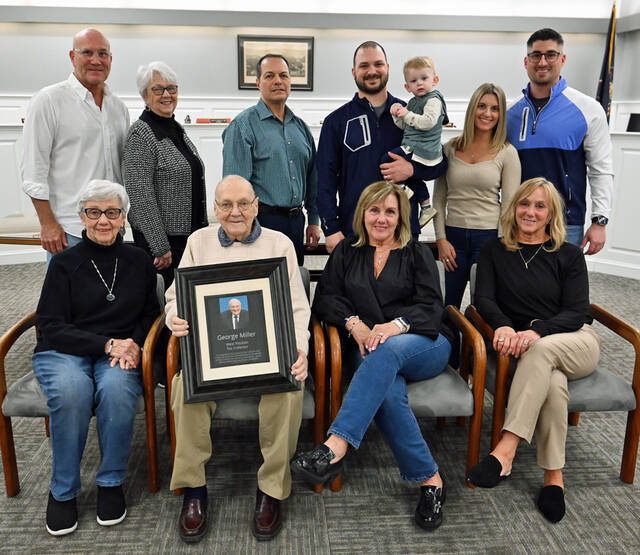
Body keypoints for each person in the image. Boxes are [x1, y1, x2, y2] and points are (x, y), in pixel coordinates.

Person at [291, 181, 453, 531]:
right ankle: (431, 480)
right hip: (369, 349)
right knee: (388, 388)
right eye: (375, 210)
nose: (381, 218)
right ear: (363, 213)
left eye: (390, 211)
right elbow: (326, 300)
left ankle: (335, 445)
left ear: (401, 217)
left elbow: (432, 307)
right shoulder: (348, 251)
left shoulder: (416, 253)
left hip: (424, 341)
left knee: (386, 350)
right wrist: (356, 325)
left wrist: (394, 326)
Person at [165, 175, 310, 543]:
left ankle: (272, 489)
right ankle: (194, 489)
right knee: (184, 387)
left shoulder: (280, 244)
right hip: (213, 359)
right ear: (215, 209)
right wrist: (174, 316)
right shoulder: (199, 242)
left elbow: (297, 308)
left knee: (290, 387)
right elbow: (175, 296)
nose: (235, 212)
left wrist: (300, 351)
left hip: (266, 357)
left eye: (243, 203)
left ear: (256, 205)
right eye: (226, 205)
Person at [467, 177, 600, 524]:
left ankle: (506, 448)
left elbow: (577, 311)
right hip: (528, 348)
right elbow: (483, 299)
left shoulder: (568, 254)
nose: (531, 211)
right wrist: (505, 327)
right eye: (525, 204)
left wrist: (535, 331)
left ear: (551, 213)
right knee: (553, 384)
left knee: (541, 353)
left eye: (540, 206)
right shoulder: (494, 251)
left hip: (575, 341)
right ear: (514, 208)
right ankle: (554, 478)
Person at [32, 180, 160, 536]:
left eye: (113, 212)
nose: (103, 220)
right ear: (81, 216)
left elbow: (150, 315)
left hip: (119, 351)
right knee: (72, 393)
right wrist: (107, 345)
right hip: (64, 351)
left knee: (118, 391)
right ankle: (63, 491)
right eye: (94, 212)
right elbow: (50, 325)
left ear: (124, 217)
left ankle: (110, 482)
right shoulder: (63, 263)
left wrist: (134, 343)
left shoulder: (138, 260)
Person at [317, 41, 448, 254]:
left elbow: (440, 163)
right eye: (364, 66)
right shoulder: (336, 121)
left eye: (378, 64)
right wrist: (330, 228)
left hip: (402, 233)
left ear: (387, 68)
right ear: (354, 72)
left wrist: (413, 170)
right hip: (355, 232)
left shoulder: (411, 114)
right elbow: (324, 179)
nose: (372, 71)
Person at [21, 28, 130, 259]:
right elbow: (33, 171)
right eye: (87, 52)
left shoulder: (119, 108)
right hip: (69, 230)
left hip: (112, 226)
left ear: (110, 60)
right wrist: (47, 223)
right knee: (66, 295)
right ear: (72, 57)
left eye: (102, 54)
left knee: (111, 292)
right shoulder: (48, 101)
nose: (95, 60)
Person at [507, 28, 613, 254]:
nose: (542, 61)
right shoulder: (510, 113)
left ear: (562, 59)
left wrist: (599, 221)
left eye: (551, 55)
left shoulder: (589, 109)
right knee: (517, 287)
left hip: (566, 224)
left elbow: (601, 169)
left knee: (562, 288)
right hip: (519, 221)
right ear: (526, 61)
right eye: (536, 55)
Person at [222, 54, 320, 265]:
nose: (278, 81)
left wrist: (313, 220)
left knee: (292, 285)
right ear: (258, 83)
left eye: (284, 75)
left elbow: (313, 179)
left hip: (296, 222)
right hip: (259, 223)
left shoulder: (301, 128)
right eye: (270, 76)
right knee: (264, 290)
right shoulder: (242, 127)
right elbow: (234, 189)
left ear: (290, 82)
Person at [433, 83, 521, 309]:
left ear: (501, 114)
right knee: (446, 306)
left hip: (489, 239)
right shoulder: (449, 149)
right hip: (453, 239)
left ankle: (478, 346)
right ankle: (450, 345)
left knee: (483, 308)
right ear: (473, 108)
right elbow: (439, 200)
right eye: (482, 106)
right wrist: (441, 239)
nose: (487, 113)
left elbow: (510, 206)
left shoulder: (507, 152)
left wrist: (502, 245)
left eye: (494, 108)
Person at [123, 61, 207, 290]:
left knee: (187, 300)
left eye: (172, 88)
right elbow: (140, 196)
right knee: (166, 306)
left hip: (187, 237)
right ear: (144, 95)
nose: (166, 94)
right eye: (158, 89)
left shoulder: (176, 128)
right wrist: (159, 245)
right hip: (164, 244)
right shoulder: (141, 134)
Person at [387, 56, 449, 226]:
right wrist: (396, 114)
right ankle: (426, 207)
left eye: (424, 78)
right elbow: (404, 126)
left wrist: (406, 114)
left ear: (434, 80)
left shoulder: (433, 100)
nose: (419, 83)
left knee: (387, 159)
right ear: (407, 87)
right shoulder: (414, 102)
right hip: (414, 145)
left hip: (423, 148)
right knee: (413, 178)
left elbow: (428, 122)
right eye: (414, 81)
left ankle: (401, 190)